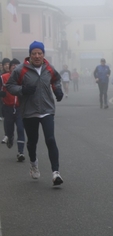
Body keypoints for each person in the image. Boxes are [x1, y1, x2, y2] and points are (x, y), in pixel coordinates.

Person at [7, 41, 64, 186]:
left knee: (50, 139)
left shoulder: (49, 68)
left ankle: (56, 173)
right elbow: (10, 85)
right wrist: (22, 90)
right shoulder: (21, 70)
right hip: (29, 111)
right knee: (32, 142)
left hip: (47, 110)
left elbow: (56, 79)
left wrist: (58, 90)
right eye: (34, 53)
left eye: (39, 53)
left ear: (43, 54)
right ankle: (33, 164)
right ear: (30, 55)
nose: (37, 56)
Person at [0, 59, 26, 161]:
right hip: (8, 108)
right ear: (10, 67)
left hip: (20, 108)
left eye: (17, 65)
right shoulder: (3, 77)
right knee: (9, 131)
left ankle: (20, 152)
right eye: (13, 65)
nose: (15, 67)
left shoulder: (24, 78)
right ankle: (10, 138)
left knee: (20, 129)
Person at [0, 58, 10, 143]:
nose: (7, 65)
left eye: (8, 64)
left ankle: (12, 134)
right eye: (5, 64)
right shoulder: (1, 76)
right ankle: (7, 135)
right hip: (4, 102)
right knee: (6, 119)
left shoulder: (15, 74)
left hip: (16, 102)